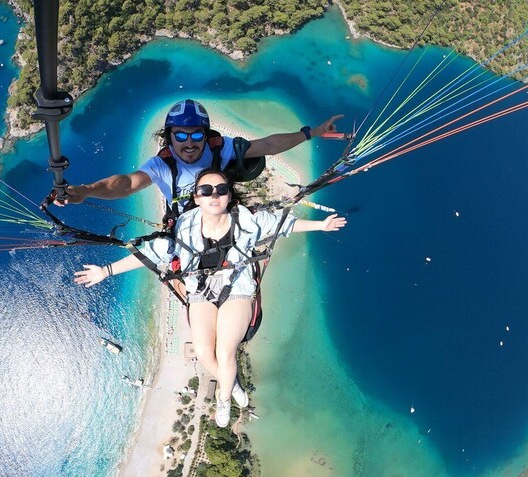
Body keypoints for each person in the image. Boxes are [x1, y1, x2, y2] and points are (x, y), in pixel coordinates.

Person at [74, 169, 347, 427]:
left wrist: (321, 225)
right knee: (205, 353)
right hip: (201, 289)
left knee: (225, 351)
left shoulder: (245, 219)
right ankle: (232, 383)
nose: (214, 195)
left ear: (229, 195)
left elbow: (282, 224)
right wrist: (107, 270)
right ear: (196, 198)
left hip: (236, 287)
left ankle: (224, 398)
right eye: (206, 190)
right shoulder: (183, 226)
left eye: (220, 189)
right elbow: (153, 252)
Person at [59, 98, 344, 218]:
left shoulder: (220, 148)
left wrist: (313, 132)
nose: (190, 144)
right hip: (186, 224)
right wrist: (86, 191)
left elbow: (267, 144)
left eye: (196, 135)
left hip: (223, 215)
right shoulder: (163, 164)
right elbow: (125, 183)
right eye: (180, 136)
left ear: (206, 135)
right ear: (169, 137)